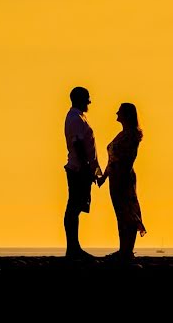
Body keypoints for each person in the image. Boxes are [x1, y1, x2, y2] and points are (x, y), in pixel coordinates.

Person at [98, 102, 147, 259]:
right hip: (116, 177)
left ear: (126, 115)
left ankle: (127, 250)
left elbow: (124, 159)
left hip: (123, 177)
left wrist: (117, 176)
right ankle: (123, 249)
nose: (116, 113)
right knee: (121, 213)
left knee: (128, 212)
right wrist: (105, 177)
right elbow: (112, 159)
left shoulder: (132, 134)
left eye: (119, 111)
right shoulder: (123, 134)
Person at [63, 86, 102, 261]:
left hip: (81, 168)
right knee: (74, 207)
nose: (89, 102)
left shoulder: (78, 117)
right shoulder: (75, 118)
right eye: (87, 98)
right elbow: (78, 144)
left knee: (76, 207)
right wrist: (87, 167)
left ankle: (74, 247)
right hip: (78, 169)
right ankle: (73, 247)